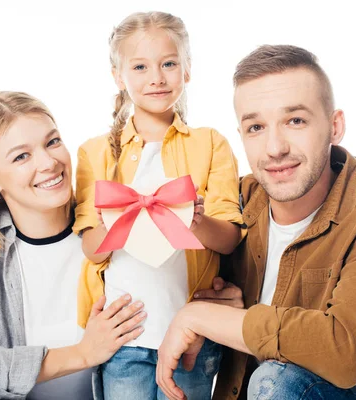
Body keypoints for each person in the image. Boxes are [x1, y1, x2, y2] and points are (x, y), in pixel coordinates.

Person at [157, 45, 356, 400]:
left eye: (295, 121)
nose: (275, 148)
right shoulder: (236, 202)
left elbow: (345, 354)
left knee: (276, 381)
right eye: (256, 126)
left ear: (334, 126)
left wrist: (202, 317)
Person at [74, 11, 244, 400]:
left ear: (187, 71)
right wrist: (120, 219)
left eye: (169, 63)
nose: (157, 77)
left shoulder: (211, 143)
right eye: (140, 66)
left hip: (192, 333)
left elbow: (230, 238)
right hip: (123, 334)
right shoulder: (95, 153)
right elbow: (90, 249)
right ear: (118, 76)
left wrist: (196, 220)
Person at [0, 91, 146, 400]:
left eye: (52, 142)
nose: (49, 163)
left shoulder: (105, 227)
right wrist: (82, 354)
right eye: (22, 156)